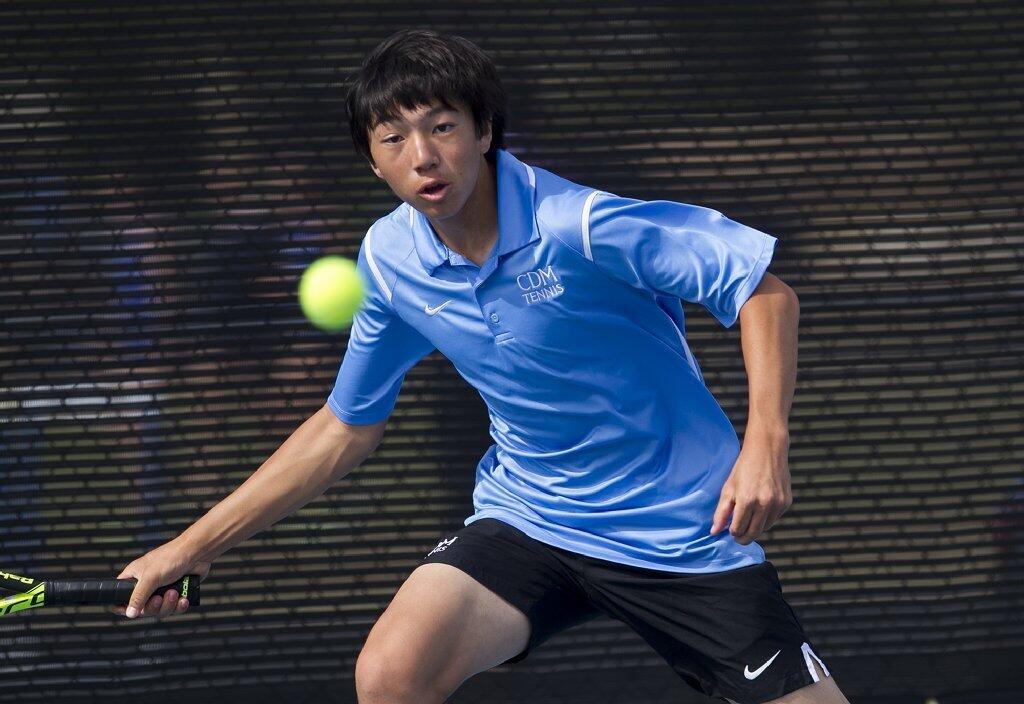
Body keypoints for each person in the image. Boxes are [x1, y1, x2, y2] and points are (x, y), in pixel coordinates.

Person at [114, 28, 850, 704]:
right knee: (391, 673)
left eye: (441, 127)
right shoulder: (391, 259)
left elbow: (763, 292)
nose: (422, 156)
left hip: (683, 531)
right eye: (393, 137)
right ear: (373, 160)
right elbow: (344, 426)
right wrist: (191, 547)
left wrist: (764, 446)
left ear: (485, 132)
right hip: (531, 518)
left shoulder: (579, 224)